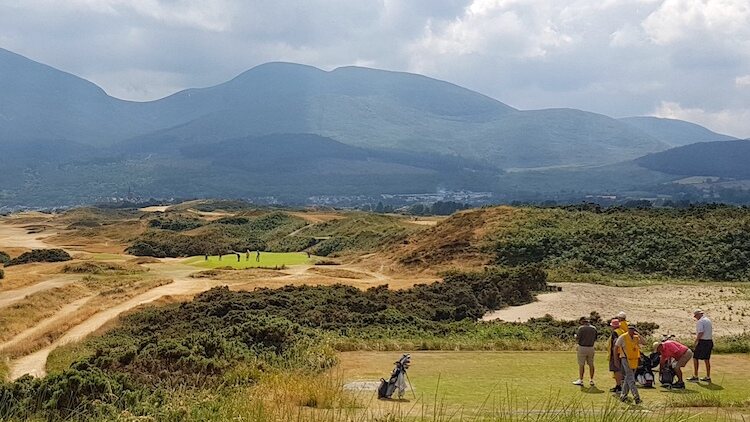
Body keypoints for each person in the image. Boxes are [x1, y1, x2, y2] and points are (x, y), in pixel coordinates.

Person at [614, 325, 645, 404]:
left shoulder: (636, 337)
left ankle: (623, 395)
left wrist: (639, 335)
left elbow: (644, 342)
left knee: (628, 377)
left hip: (634, 360)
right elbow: (615, 347)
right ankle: (636, 396)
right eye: (630, 329)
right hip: (625, 359)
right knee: (631, 378)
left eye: (633, 329)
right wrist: (616, 360)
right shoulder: (623, 337)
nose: (632, 331)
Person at [688, 309, 713, 382]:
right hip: (709, 341)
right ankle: (708, 376)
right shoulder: (708, 320)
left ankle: (696, 376)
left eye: (696, 316)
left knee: (695, 357)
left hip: (703, 342)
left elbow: (701, 332)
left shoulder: (700, 322)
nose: (695, 317)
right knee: (706, 359)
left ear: (699, 315)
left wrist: (696, 341)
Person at [573, 317, 597, 386]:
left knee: (581, 364)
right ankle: (591, 380)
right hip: (591, 347)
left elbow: (578, 338)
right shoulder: (594, 328)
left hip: (582, 347)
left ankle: (581, 380)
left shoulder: (581, 328)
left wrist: (575, 336)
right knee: (591, 364)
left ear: (582, 322)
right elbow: (595, 338)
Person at [608, 318, 626, 393]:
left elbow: (615, 344)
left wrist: (614, 356)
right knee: (620, 370)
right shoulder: (622, 331)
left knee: (616, 370)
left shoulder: (615, 333)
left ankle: (619, 386)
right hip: (622, 353)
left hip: (616, 353)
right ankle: (619, 385)